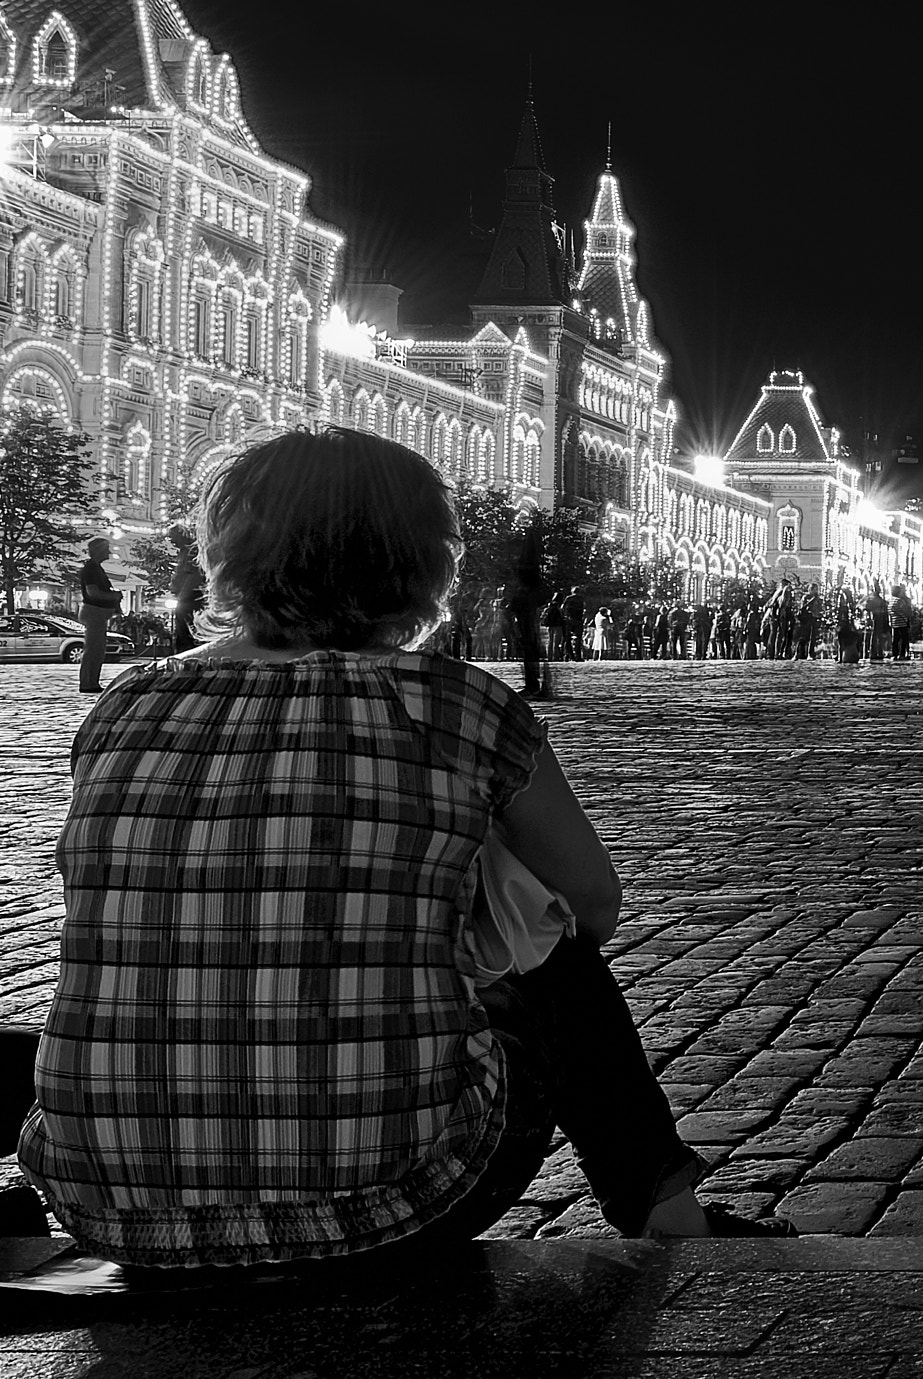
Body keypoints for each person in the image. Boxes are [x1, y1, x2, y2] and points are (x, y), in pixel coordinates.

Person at [8, 428, 790, 1276]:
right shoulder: (460, 706)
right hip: (398, 1198)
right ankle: (670, 1214)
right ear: (422, 562)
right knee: (550, 944)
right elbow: (595, 902)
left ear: (228, 550)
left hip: (111, 1205)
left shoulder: (126, 706)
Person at [74, 536, 123, 694]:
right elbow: (93, 592)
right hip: (94, 612)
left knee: (96, 649)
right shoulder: (91, 569)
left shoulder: (94, 568)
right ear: (98, 551)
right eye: (106, 549)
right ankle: (88, 683)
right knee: (94, 649)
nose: (108, 552)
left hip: (97, 613)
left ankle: (91, 681)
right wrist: (113, 596)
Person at [505, 522, 547, 698]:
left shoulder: (526, 570)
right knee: (531, 649)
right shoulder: (533, 568)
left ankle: (533, 684)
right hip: (528, 613)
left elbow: (523, 591)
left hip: (526, 614)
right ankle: (535, 683)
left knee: (529, 649)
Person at [169, 526, 206, 653]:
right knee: (182, 631)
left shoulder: (193, 550)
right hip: (185, 597)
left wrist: (183, 595)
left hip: (191, 597)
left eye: (173, 536)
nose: (171, 540)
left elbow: (194, 575)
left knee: (187, 631)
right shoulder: (183, 552)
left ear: (181, 534)